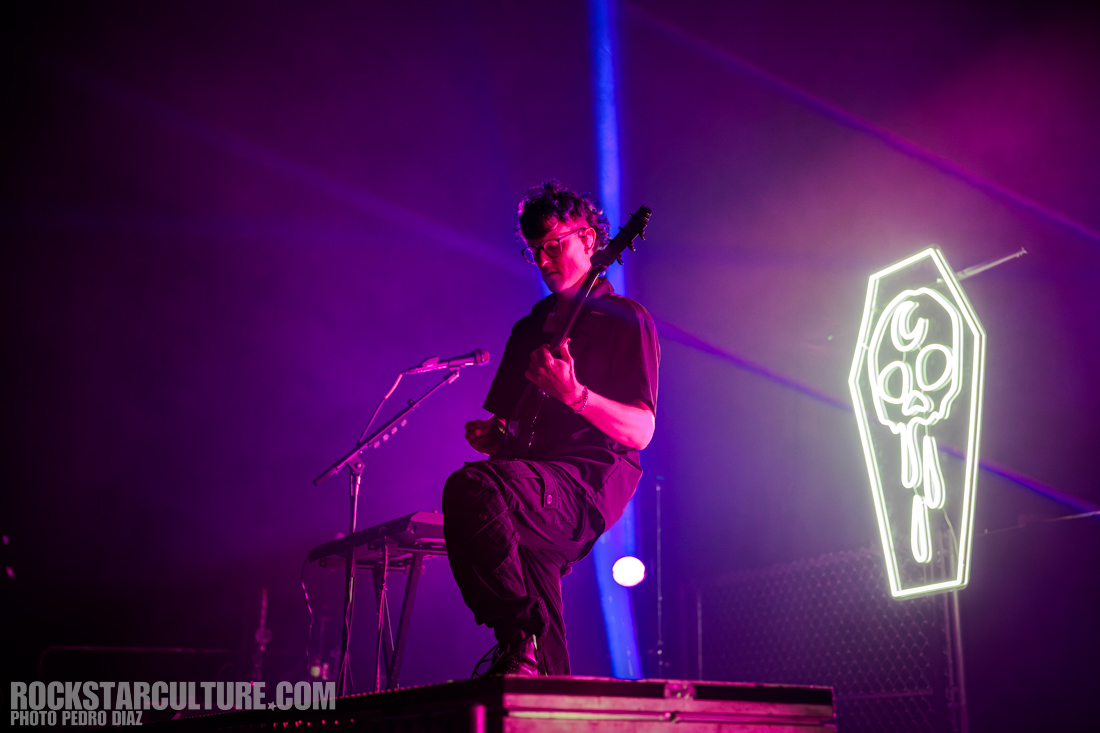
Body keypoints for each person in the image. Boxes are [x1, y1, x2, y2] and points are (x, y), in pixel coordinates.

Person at [442, 179, 660, 677]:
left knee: (470, 487)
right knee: (546, 657)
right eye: (533, 251)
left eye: (553, 245)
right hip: (529, 489)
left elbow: (641, 431)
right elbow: (508, 426)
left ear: (589, 240)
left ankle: (516, 639)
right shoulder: (527, 330)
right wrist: (494, 436)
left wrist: (575, 395)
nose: (542, 261)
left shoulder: (627, 320)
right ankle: (542, 680)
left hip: (585, 484)